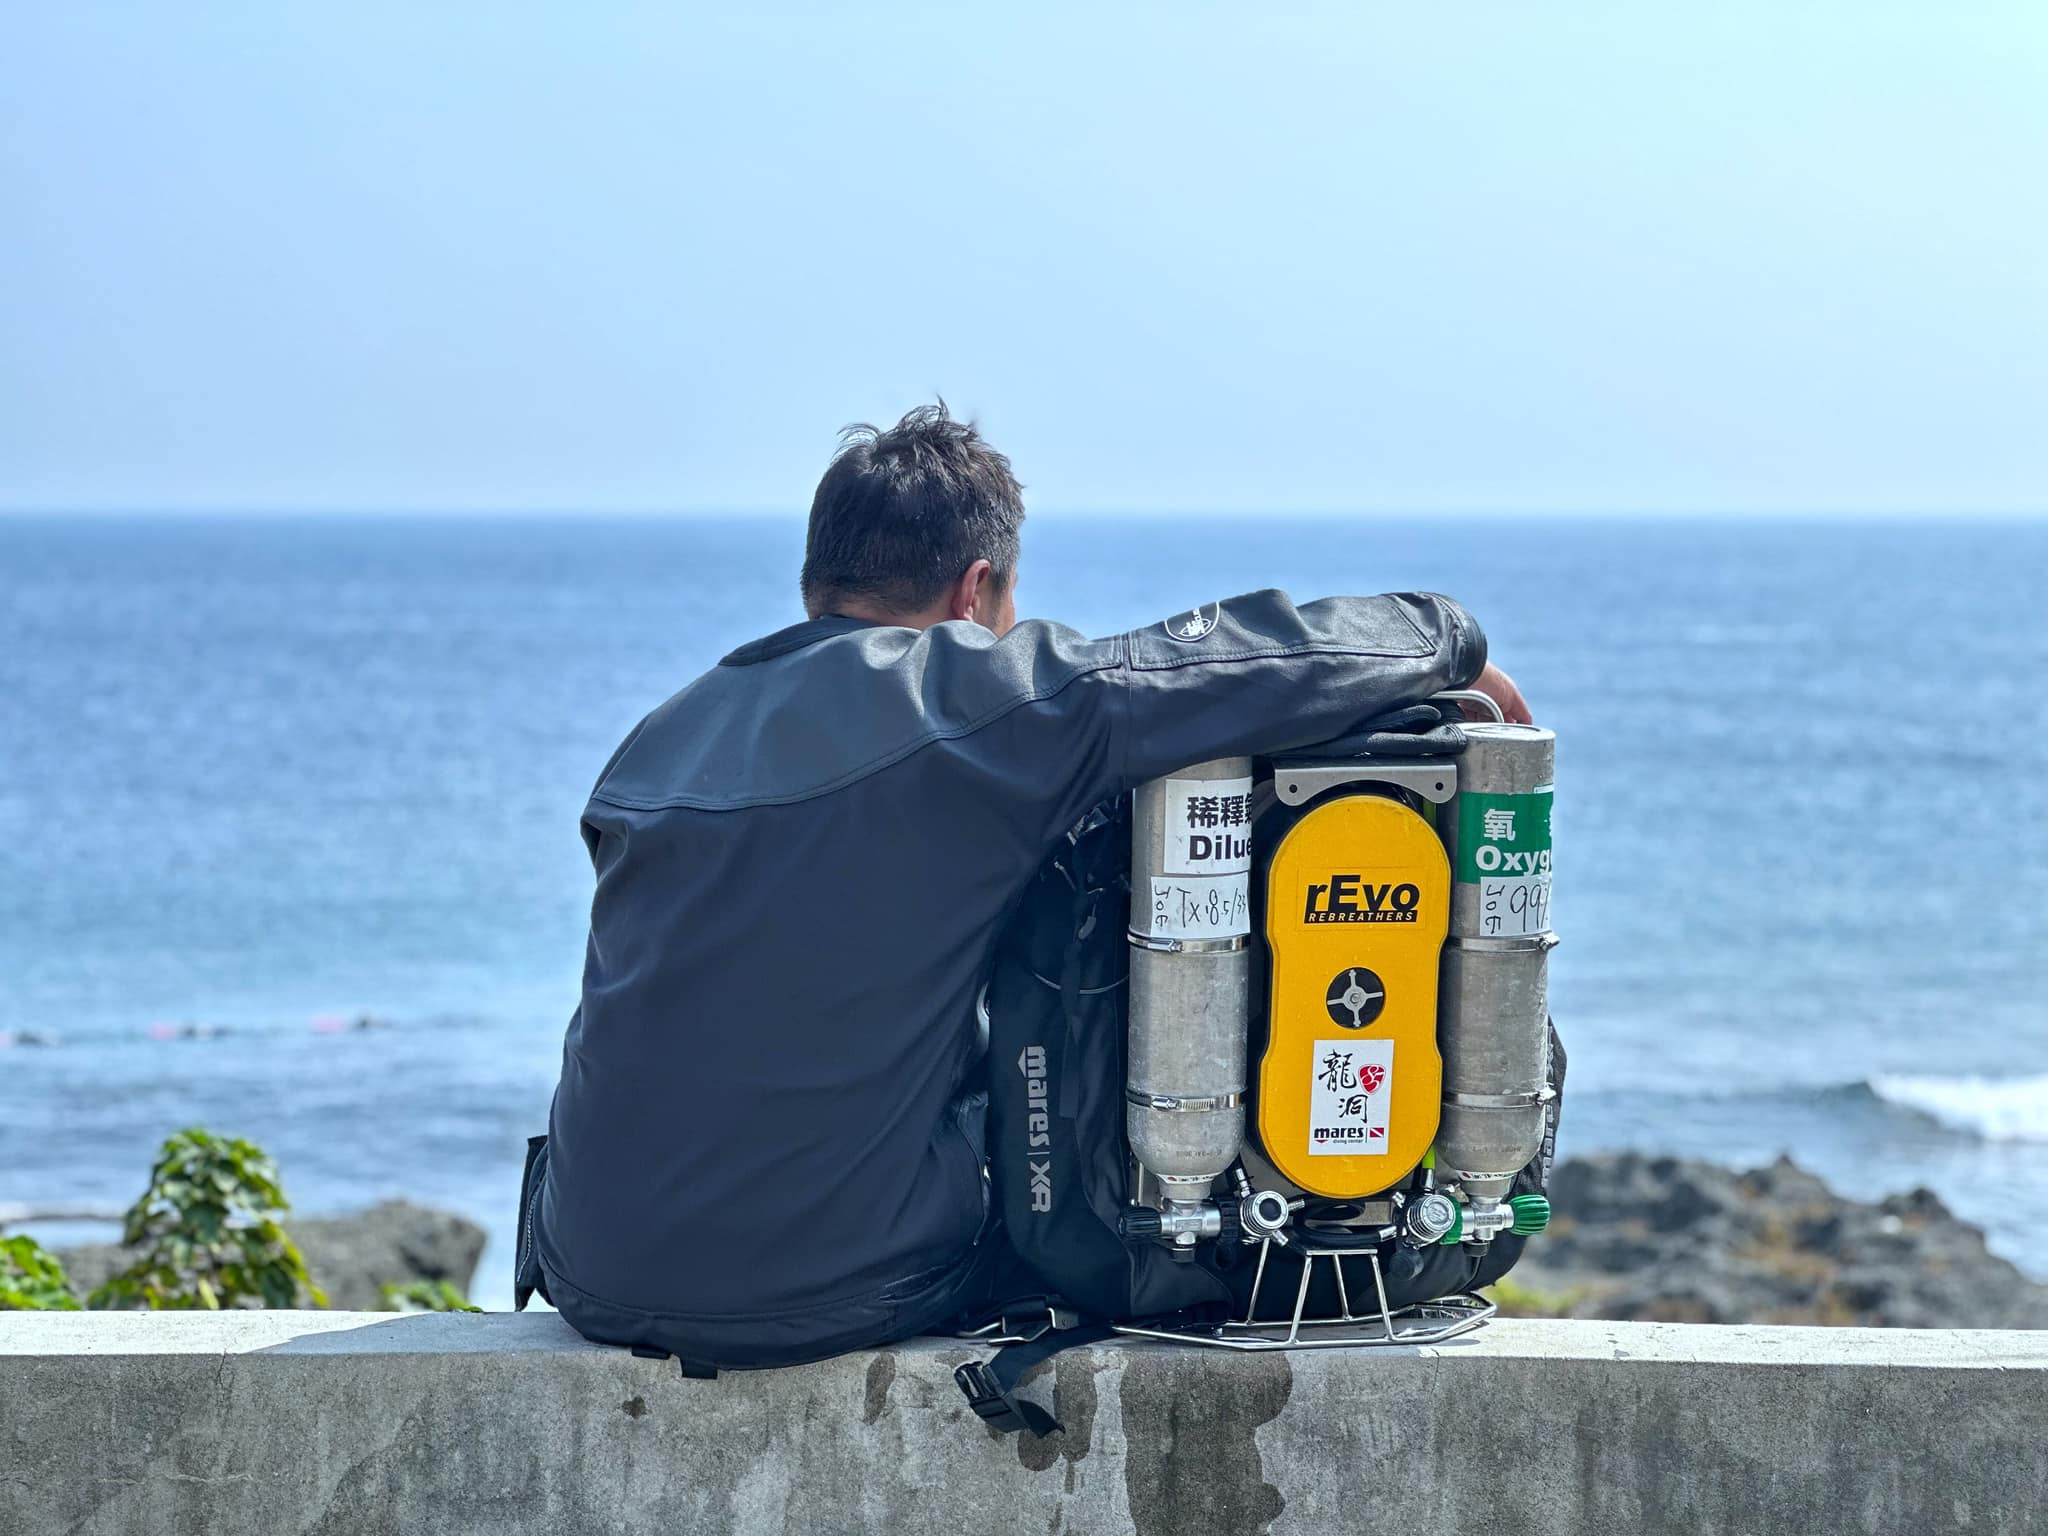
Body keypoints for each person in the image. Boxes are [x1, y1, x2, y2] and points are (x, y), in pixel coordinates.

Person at [519, 403, 1528, 1369]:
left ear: (813, 584)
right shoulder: (964, 699)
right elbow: (1226, 662)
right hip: (833, 1288)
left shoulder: (658, 739)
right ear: (975, 591)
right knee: (1097, 1218)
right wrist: (1448, 643)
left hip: (594, 1270)